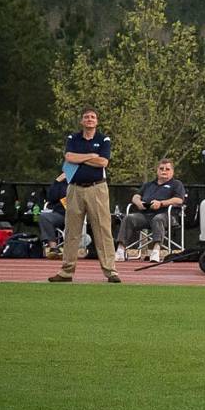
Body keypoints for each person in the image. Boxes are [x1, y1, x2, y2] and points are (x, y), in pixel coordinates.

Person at [48, 107, 120, 283]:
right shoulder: (73, 138)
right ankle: (66, 271)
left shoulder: (103, 139)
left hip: (97, 188)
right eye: (86, 117)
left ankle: (110, 271)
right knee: (72, 229)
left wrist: (82, 158)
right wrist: (90, 156)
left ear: (97, 121)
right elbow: (69, 157)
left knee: (102, 230)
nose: (89, 119)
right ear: (82, 121)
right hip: (75, 188)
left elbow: (103, 162)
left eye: (92, 117)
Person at [115, 158, 186, 263]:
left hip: (167, 215)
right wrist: (138, 203)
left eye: (167, 169)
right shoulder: (148, 185)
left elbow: (179, 200)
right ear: (157, 170)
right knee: (129, 218)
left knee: (158, 219)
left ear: (172, 171)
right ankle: (121, 250)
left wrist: (161, 203)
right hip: (146, 214)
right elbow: (135, 196)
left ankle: (156, 251)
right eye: (161, 168)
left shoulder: (176, 184)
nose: (164, 171)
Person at [39, 173, 69, 259]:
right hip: (61, 214)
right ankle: (53, 248)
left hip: (77, 215)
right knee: (44, 217)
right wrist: (57, 181)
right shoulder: (62, 183)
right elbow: (51, 198)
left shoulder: (81, 181)